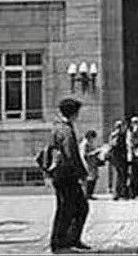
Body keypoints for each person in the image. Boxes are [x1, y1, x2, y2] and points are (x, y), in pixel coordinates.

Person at [48, 97, 91, 253]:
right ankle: (60, 242)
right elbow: (71, 154)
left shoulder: (59, 126)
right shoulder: (65, 130)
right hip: (66, 174)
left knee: (75, 207)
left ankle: (70, 239)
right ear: (73, 113)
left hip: (61, 173)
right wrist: (82, 173)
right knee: (69, 208)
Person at [108, 120, 128, 200]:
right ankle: (117, 193)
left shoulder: (113, 134)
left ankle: (117, 193)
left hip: (115, 157)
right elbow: (115, 145)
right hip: (118, 157)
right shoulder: (118, 135)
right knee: (119, 175)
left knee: (118, 175)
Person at [79, 130, 101, 200]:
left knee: (94, 178)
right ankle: (87, 194)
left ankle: (90, 194)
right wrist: (94, 152)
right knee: (89, 179)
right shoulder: (85, 144)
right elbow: (84, 155)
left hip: (92, 163)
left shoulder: (89, 143)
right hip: (88, 163)